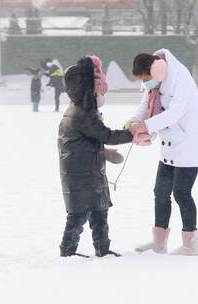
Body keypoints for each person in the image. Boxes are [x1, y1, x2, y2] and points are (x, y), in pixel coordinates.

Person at [128, 49, 198, 256]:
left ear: (156, 70)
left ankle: (191, 244)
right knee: (161, 192)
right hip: (170, 144)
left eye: (146, 79)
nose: (145, 84)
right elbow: (145, 105)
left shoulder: (180, 77)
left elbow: (174, 113)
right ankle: (159, 242)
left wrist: (145, 126)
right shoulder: (156, 80)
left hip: (189, 144)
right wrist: (133, 122)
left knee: (182, 193)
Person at [58, 56, 133, 258]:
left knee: (99, 210)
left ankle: (103, 247)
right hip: (81, 174)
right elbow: (105, 134)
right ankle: (68, 249)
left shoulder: (81, 110)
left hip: (87, 170)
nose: (101, 93)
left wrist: (104, 153)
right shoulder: (82, 113)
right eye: (98, 89)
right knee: (78, 214)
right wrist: (132, 134)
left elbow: (85, 140)